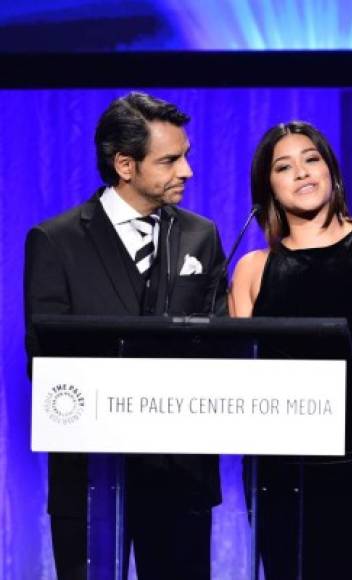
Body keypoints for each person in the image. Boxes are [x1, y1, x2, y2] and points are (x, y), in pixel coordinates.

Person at [24, 92, 227, 580]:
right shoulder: (57, 240)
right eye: (171, 160)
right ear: (125, 165)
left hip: (182, 473)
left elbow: (221, 343)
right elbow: (45, 360)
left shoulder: (202, 236)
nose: (188, 172)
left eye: (186, 156)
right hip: (90, 473)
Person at [229, 121, 352, 579]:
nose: (301, 172)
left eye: (311, 159)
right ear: (268, 188)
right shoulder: (253, 267)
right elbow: (242, 370)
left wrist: (310, 389)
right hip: (276, 463)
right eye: (284, 166)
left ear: (332, 172)